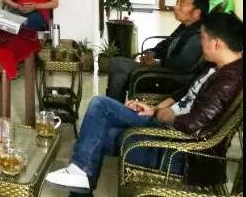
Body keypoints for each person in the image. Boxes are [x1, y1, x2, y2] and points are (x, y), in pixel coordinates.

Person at [45, 12, 243, 192]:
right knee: (97, 122)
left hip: (180, 153)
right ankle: (80, 172)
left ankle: (80, 174)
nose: (201, 43)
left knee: (98, 119)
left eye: (203, 38)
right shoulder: (217, 67)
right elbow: (184, 93)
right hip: (168, 130)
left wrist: (163, 115)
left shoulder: (228, 80)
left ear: (217, 43)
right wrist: (154, 109)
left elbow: (193, 125)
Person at [106, 0, 209, 103]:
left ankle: (111, 107)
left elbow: (180, 65)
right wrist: (153, 53)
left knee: (119, 66)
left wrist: (157, 63)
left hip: (170, 80)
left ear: (197, 12)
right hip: (163, 72)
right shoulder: (185, 27)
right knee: (118, 65)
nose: (175, 7)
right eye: (177, 2)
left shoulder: (198, 36)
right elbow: (166, 43)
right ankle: (113, 106)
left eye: (182, 4)